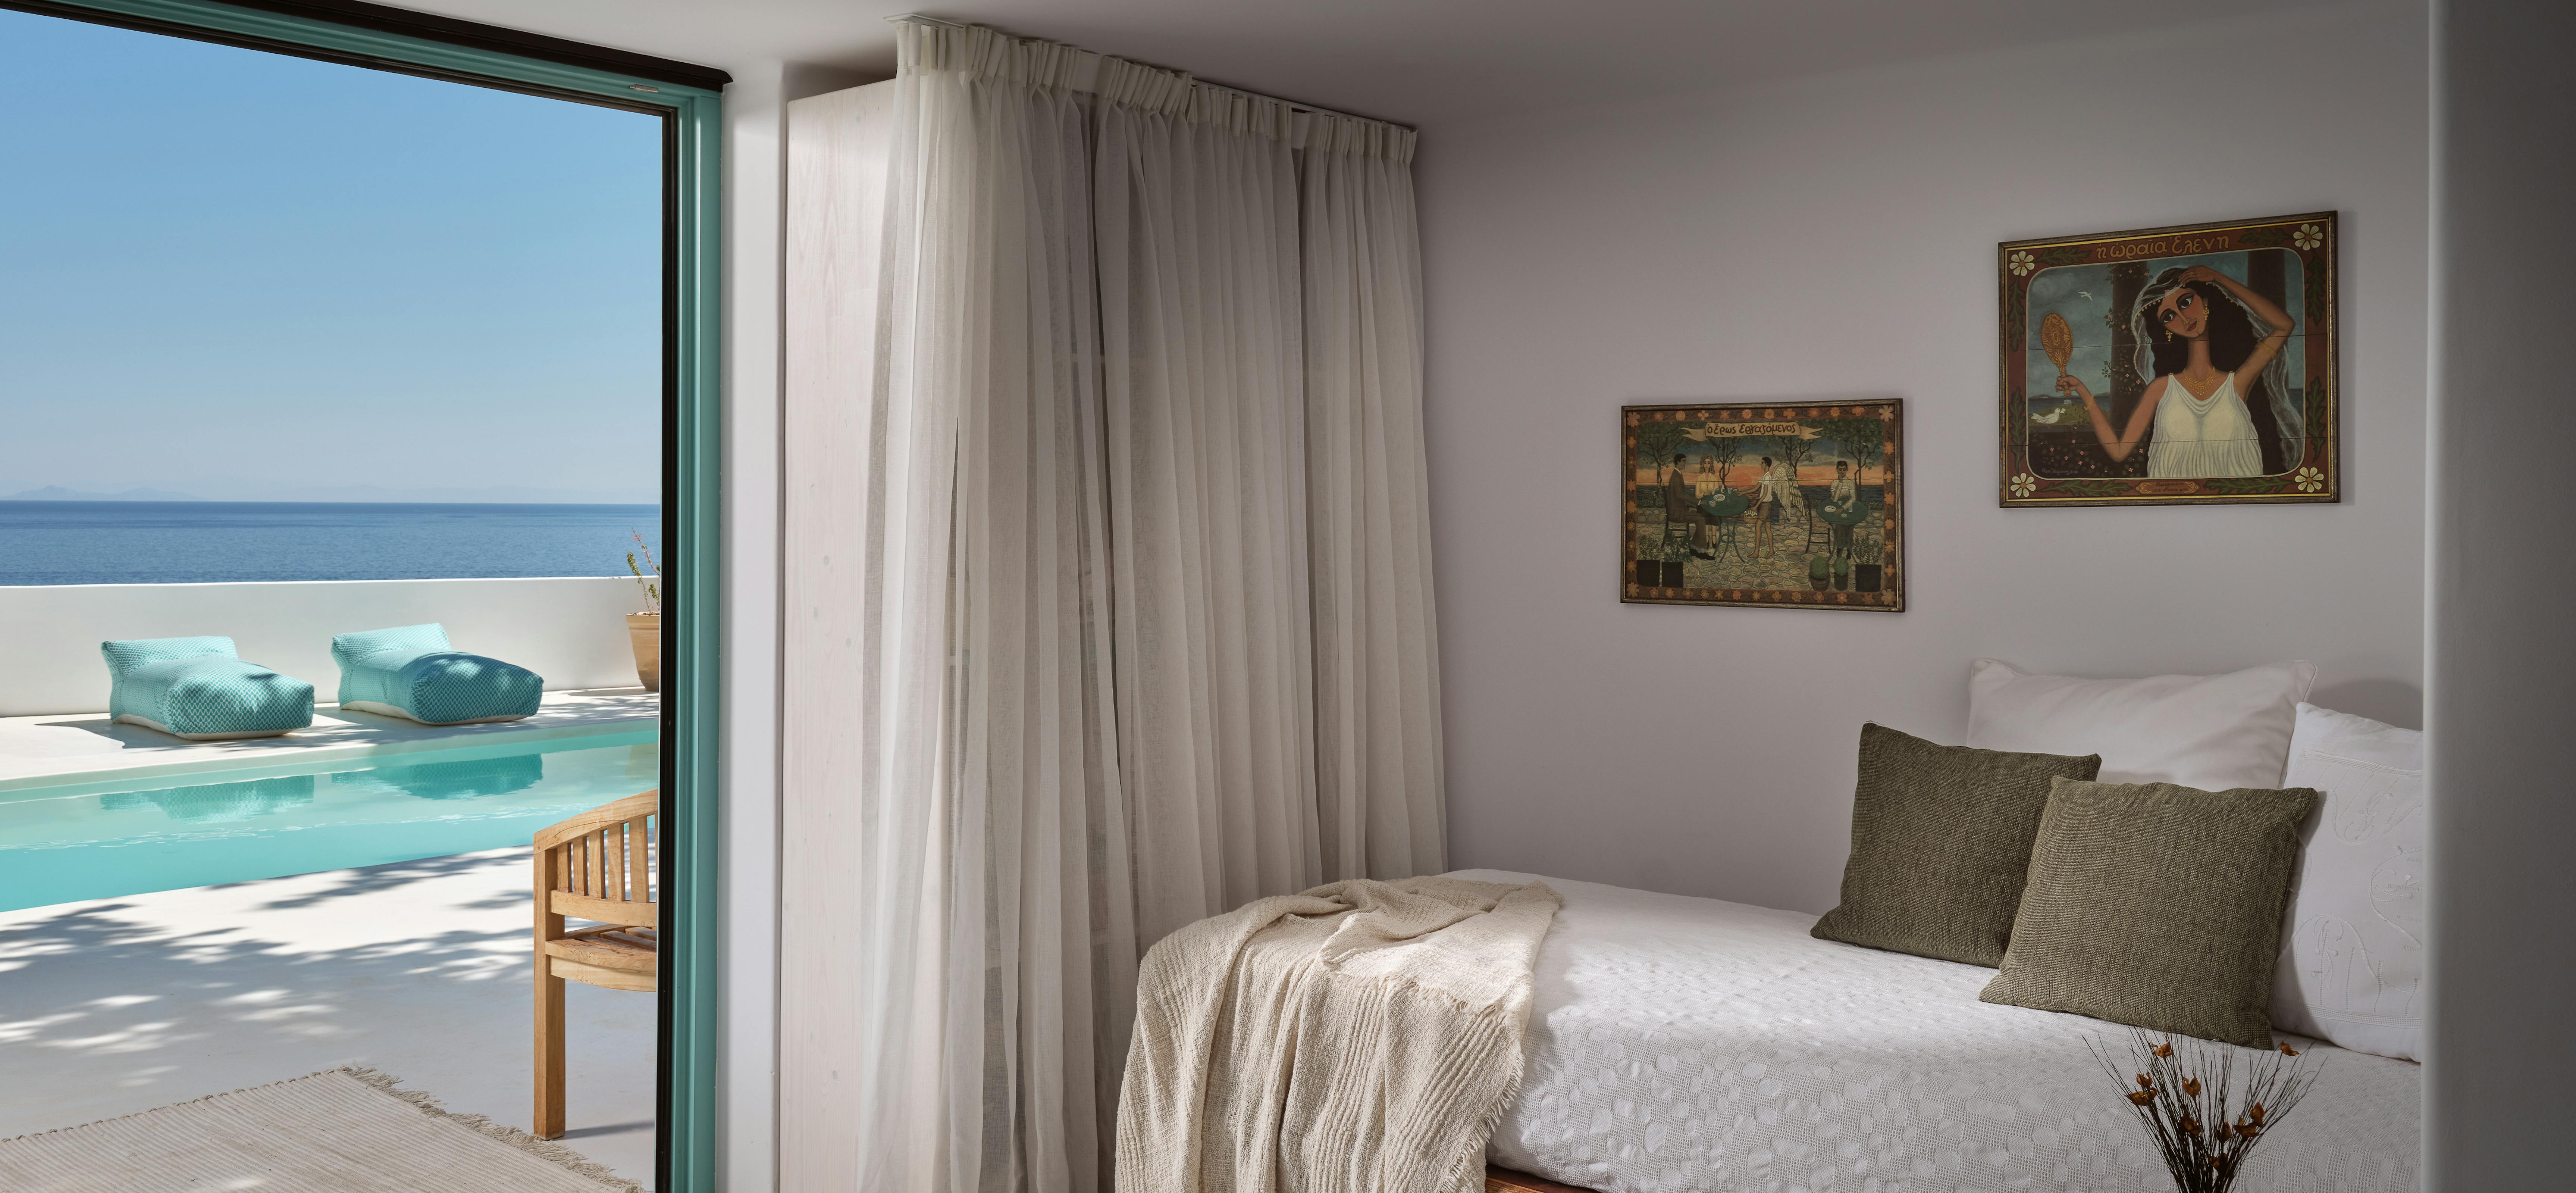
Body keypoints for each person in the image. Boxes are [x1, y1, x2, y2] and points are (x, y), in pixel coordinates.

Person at [2051, 264, 2300, 478]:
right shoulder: (2161, 389)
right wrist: (2083, 391)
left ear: (2205, 302)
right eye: (2169, 316)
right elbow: (2119, 452)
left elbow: (2284, 325)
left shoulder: (2238, 383)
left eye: (2186, 302)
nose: (2183, 317)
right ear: (2167, 330)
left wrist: (2219, 278)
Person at [1824, 459, 1860, 558]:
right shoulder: (1834, 483)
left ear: (1847, 470)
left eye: (1844, 470)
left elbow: (1853, 498)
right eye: (1840, 470)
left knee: (1849, 528)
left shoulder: (1850, 483)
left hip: (1848, 508)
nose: (1842, 472)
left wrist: (1843, 508)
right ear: (1837, 470)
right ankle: (1839, 549)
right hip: (1838, 508)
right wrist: (1840, 483)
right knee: (1839, 528)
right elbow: (1835, 500)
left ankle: (1849, 549)